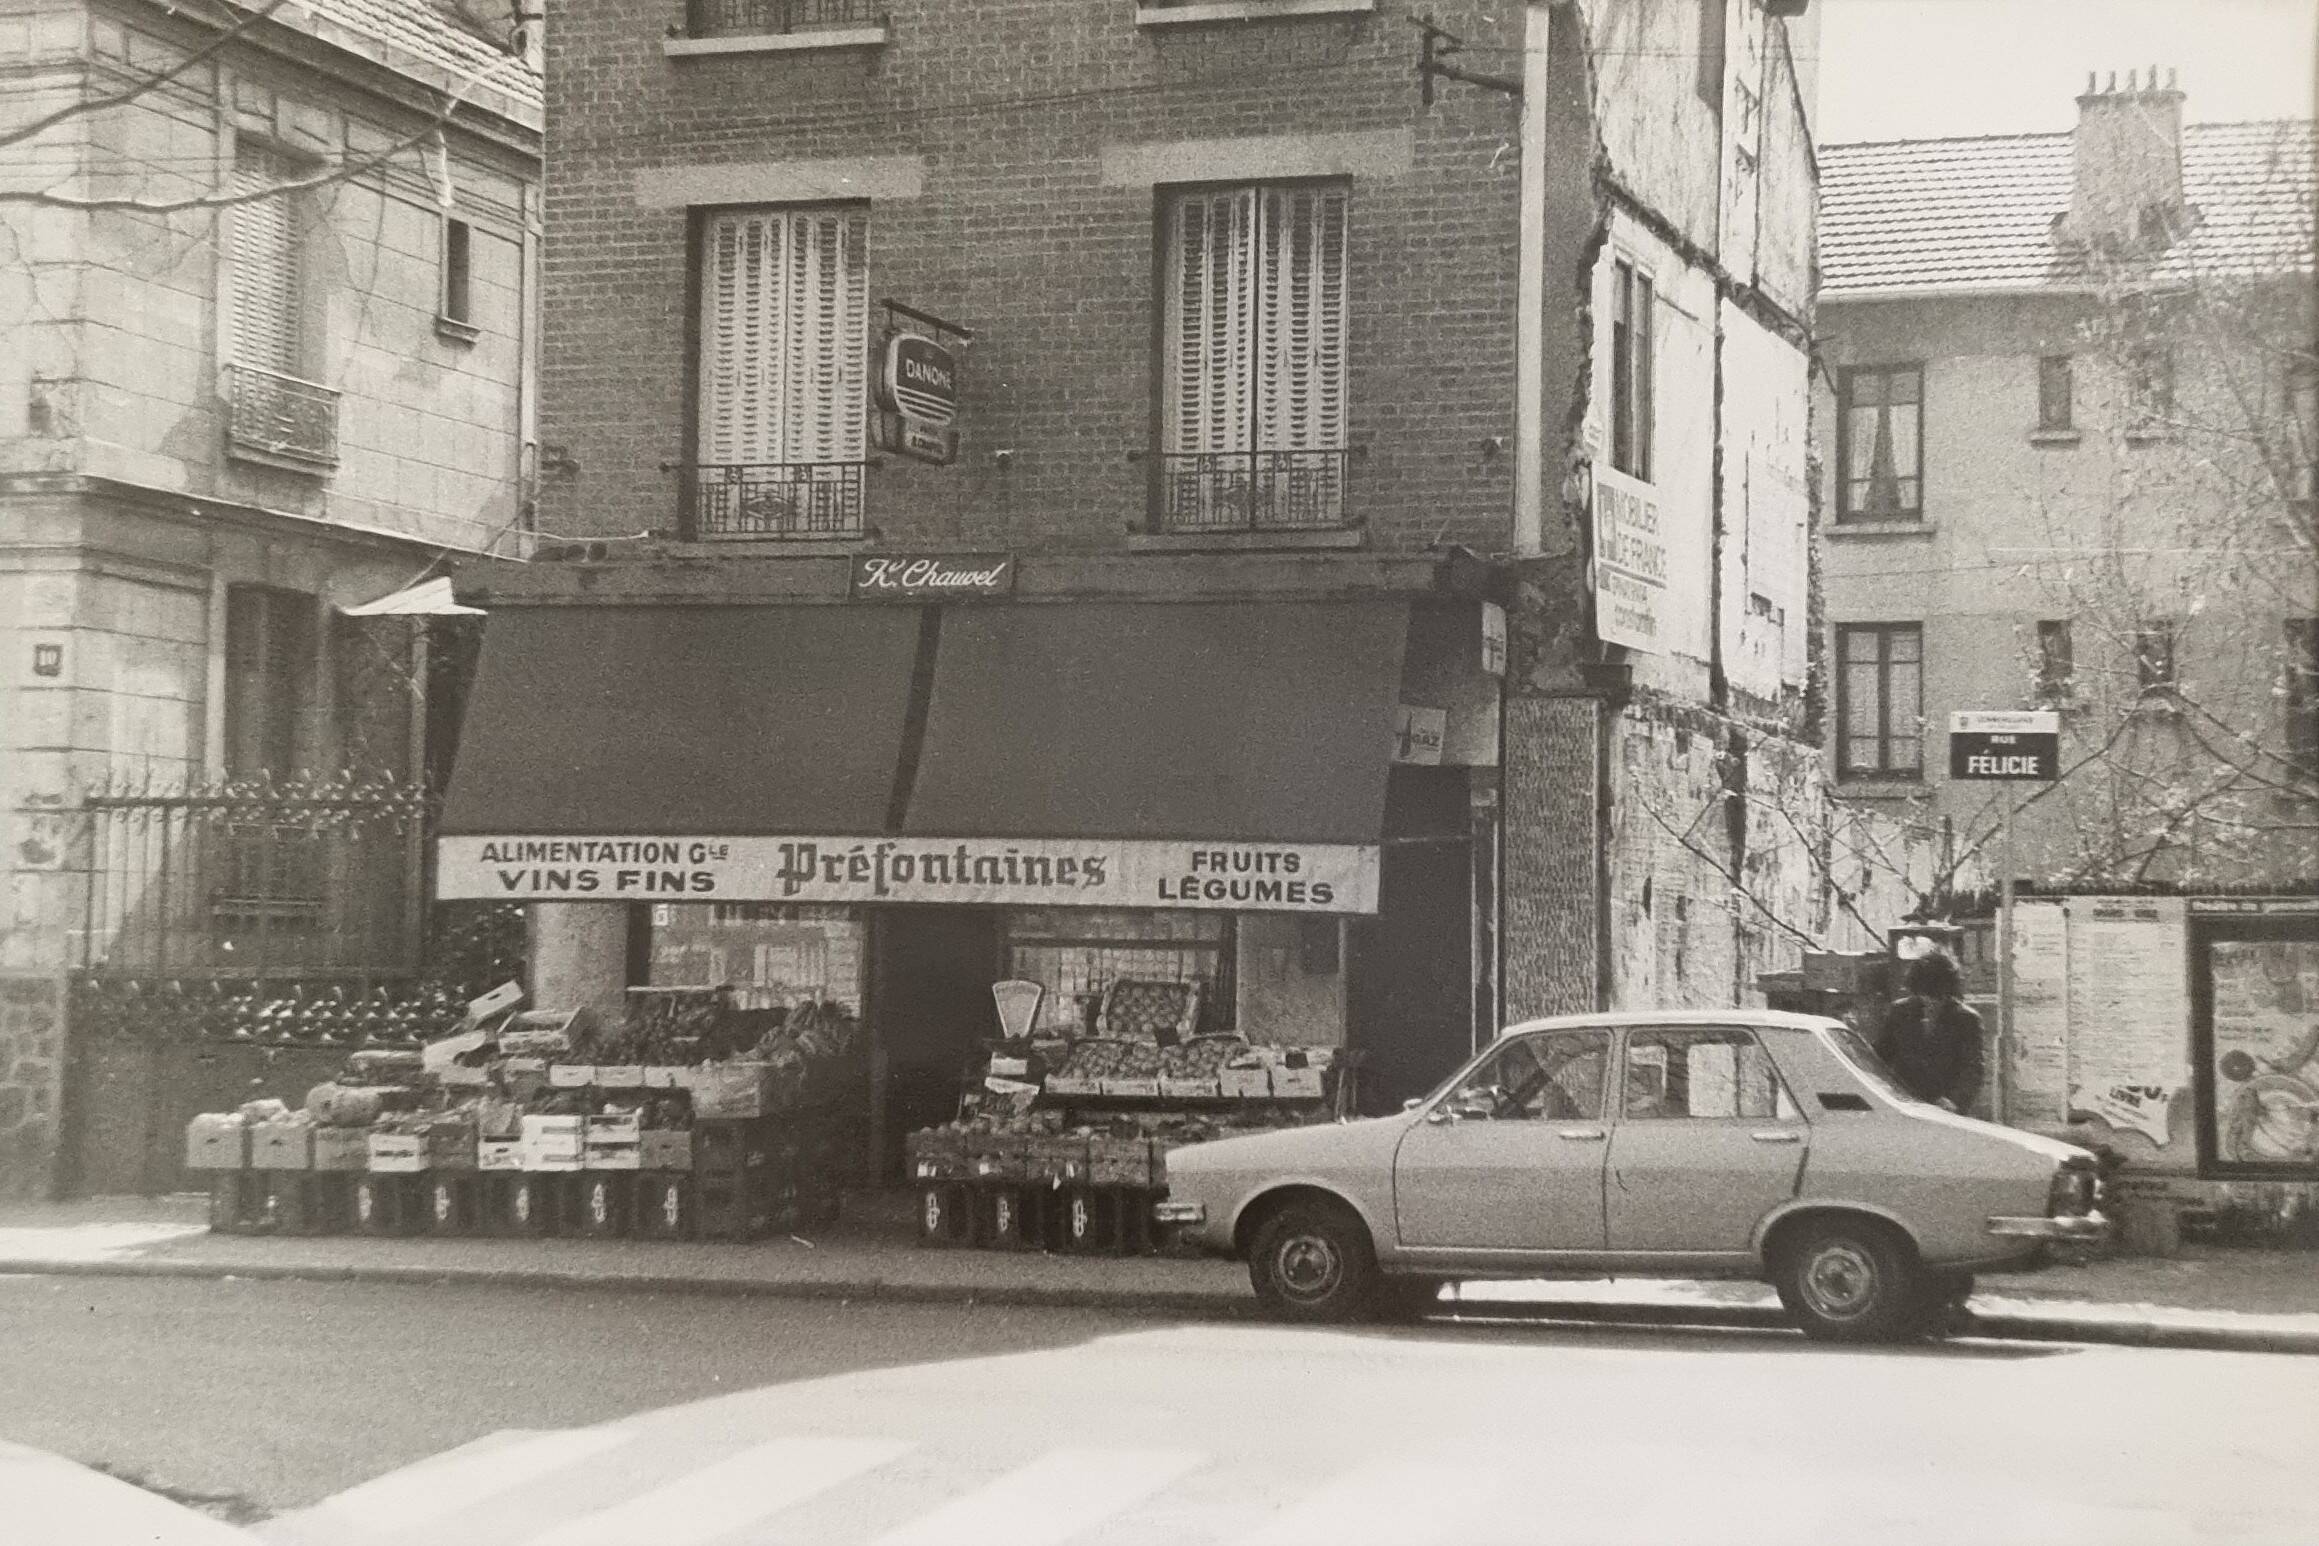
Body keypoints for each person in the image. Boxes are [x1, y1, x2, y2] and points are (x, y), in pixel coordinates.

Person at [1871, 949, 1986, 1112]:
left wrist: (1954, 1101)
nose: (1929, 1002)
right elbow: (1880, 1057)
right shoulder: (1899, 1012)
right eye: (1923, 995)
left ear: (1948, 993)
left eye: (1935, 997)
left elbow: (1973, 1069)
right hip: (1904, 1104)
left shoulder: (1967, 1020)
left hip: (1945, 1108)